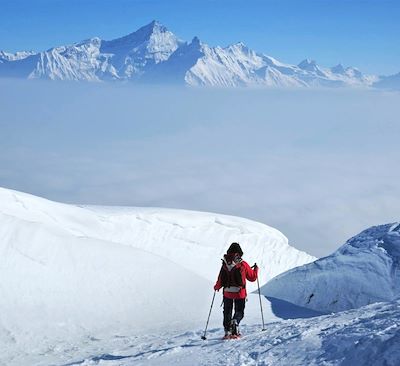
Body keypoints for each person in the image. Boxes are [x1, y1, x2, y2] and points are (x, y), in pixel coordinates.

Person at [214, 242, 258, 338]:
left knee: (227, 311)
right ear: (239, 253)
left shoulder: (224, 263)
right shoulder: (243, 264)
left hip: (227, 292)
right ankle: (236, 321)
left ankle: (227, 330)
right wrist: (256, 270)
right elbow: (252, 278)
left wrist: (217, 287)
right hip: (240, 293)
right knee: (239, 311)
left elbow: (221, 278)